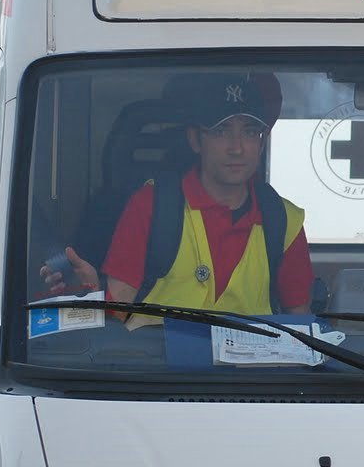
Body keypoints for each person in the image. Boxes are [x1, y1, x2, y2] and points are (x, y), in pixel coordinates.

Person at [44, 73, 313, 317]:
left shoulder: (283, 219)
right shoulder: (153, 203)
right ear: (195, 140)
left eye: (250, 132)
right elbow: (118, 311)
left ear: (262, 142)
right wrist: (89, 291)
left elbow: (301, 327)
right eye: (221, 131)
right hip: (153, 370)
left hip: (252, 372)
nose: (237, 148)